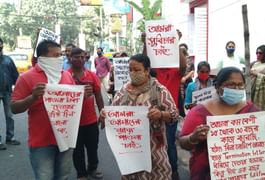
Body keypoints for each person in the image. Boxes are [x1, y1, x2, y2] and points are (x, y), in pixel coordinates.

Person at [11, 40, 92, 180]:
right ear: (42, 58)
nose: (60, 58)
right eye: (55, 55)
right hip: (42, 141)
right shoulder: (26, 77)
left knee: (63, 176)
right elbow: (14, 108)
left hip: (66, 138)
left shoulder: (66, 75)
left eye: (60, 55)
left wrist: (83, 96)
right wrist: (32, 97)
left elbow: (72, 103)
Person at [179, 67, 265, 180]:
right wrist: (193, 137)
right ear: (217, 87)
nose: (236, 88)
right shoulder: (199, 112)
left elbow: (261, 140)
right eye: (230, 85)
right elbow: (183, 142)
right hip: (206, 174)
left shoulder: (252, 111)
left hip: (243, 172)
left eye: (240, 85)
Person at [107, 54, 180, 179]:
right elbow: (113, 114)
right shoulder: (124, 91)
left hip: (155, 151)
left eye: (137, 70)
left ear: (147, 71)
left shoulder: (159, 91)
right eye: (130, 70)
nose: (133, 73)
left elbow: (175, 115)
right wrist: (106, 115)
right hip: (131, 151)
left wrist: (161, 114)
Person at [142, 30, 187, 180]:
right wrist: (146, 43)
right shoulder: (152, 72)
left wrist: (176, 42)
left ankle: (173, 171)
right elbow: (143, 62)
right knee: (153, 145)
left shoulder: (175, 71)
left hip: (169, 115)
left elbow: (183, 67)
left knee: (169, 145)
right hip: (151, 114)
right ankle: (155, 171)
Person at [68, 48, 104, 180]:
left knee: (93, 146)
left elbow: (99, 96)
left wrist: (102, 113)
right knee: (77, 150)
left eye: (83, 57)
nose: (80, 59)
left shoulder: (91, 76)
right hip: (73, 122)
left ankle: (93, 168)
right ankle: (81, 173)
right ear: (70, 58)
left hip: (91, 121)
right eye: (76, 57)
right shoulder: (65, 76)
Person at [0, 37, 20, 150]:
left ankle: (10, 138)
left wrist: (17, 89)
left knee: (9, 115)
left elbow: (15, 75)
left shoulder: (8, 60)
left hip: (7, 91)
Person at [250, 45, 265, 118]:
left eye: (260, 53)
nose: (258, 55)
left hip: (262, 94)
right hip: (252, 90)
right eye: (257, 53)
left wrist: (257, 74)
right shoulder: (255, 64)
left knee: (262, 114)